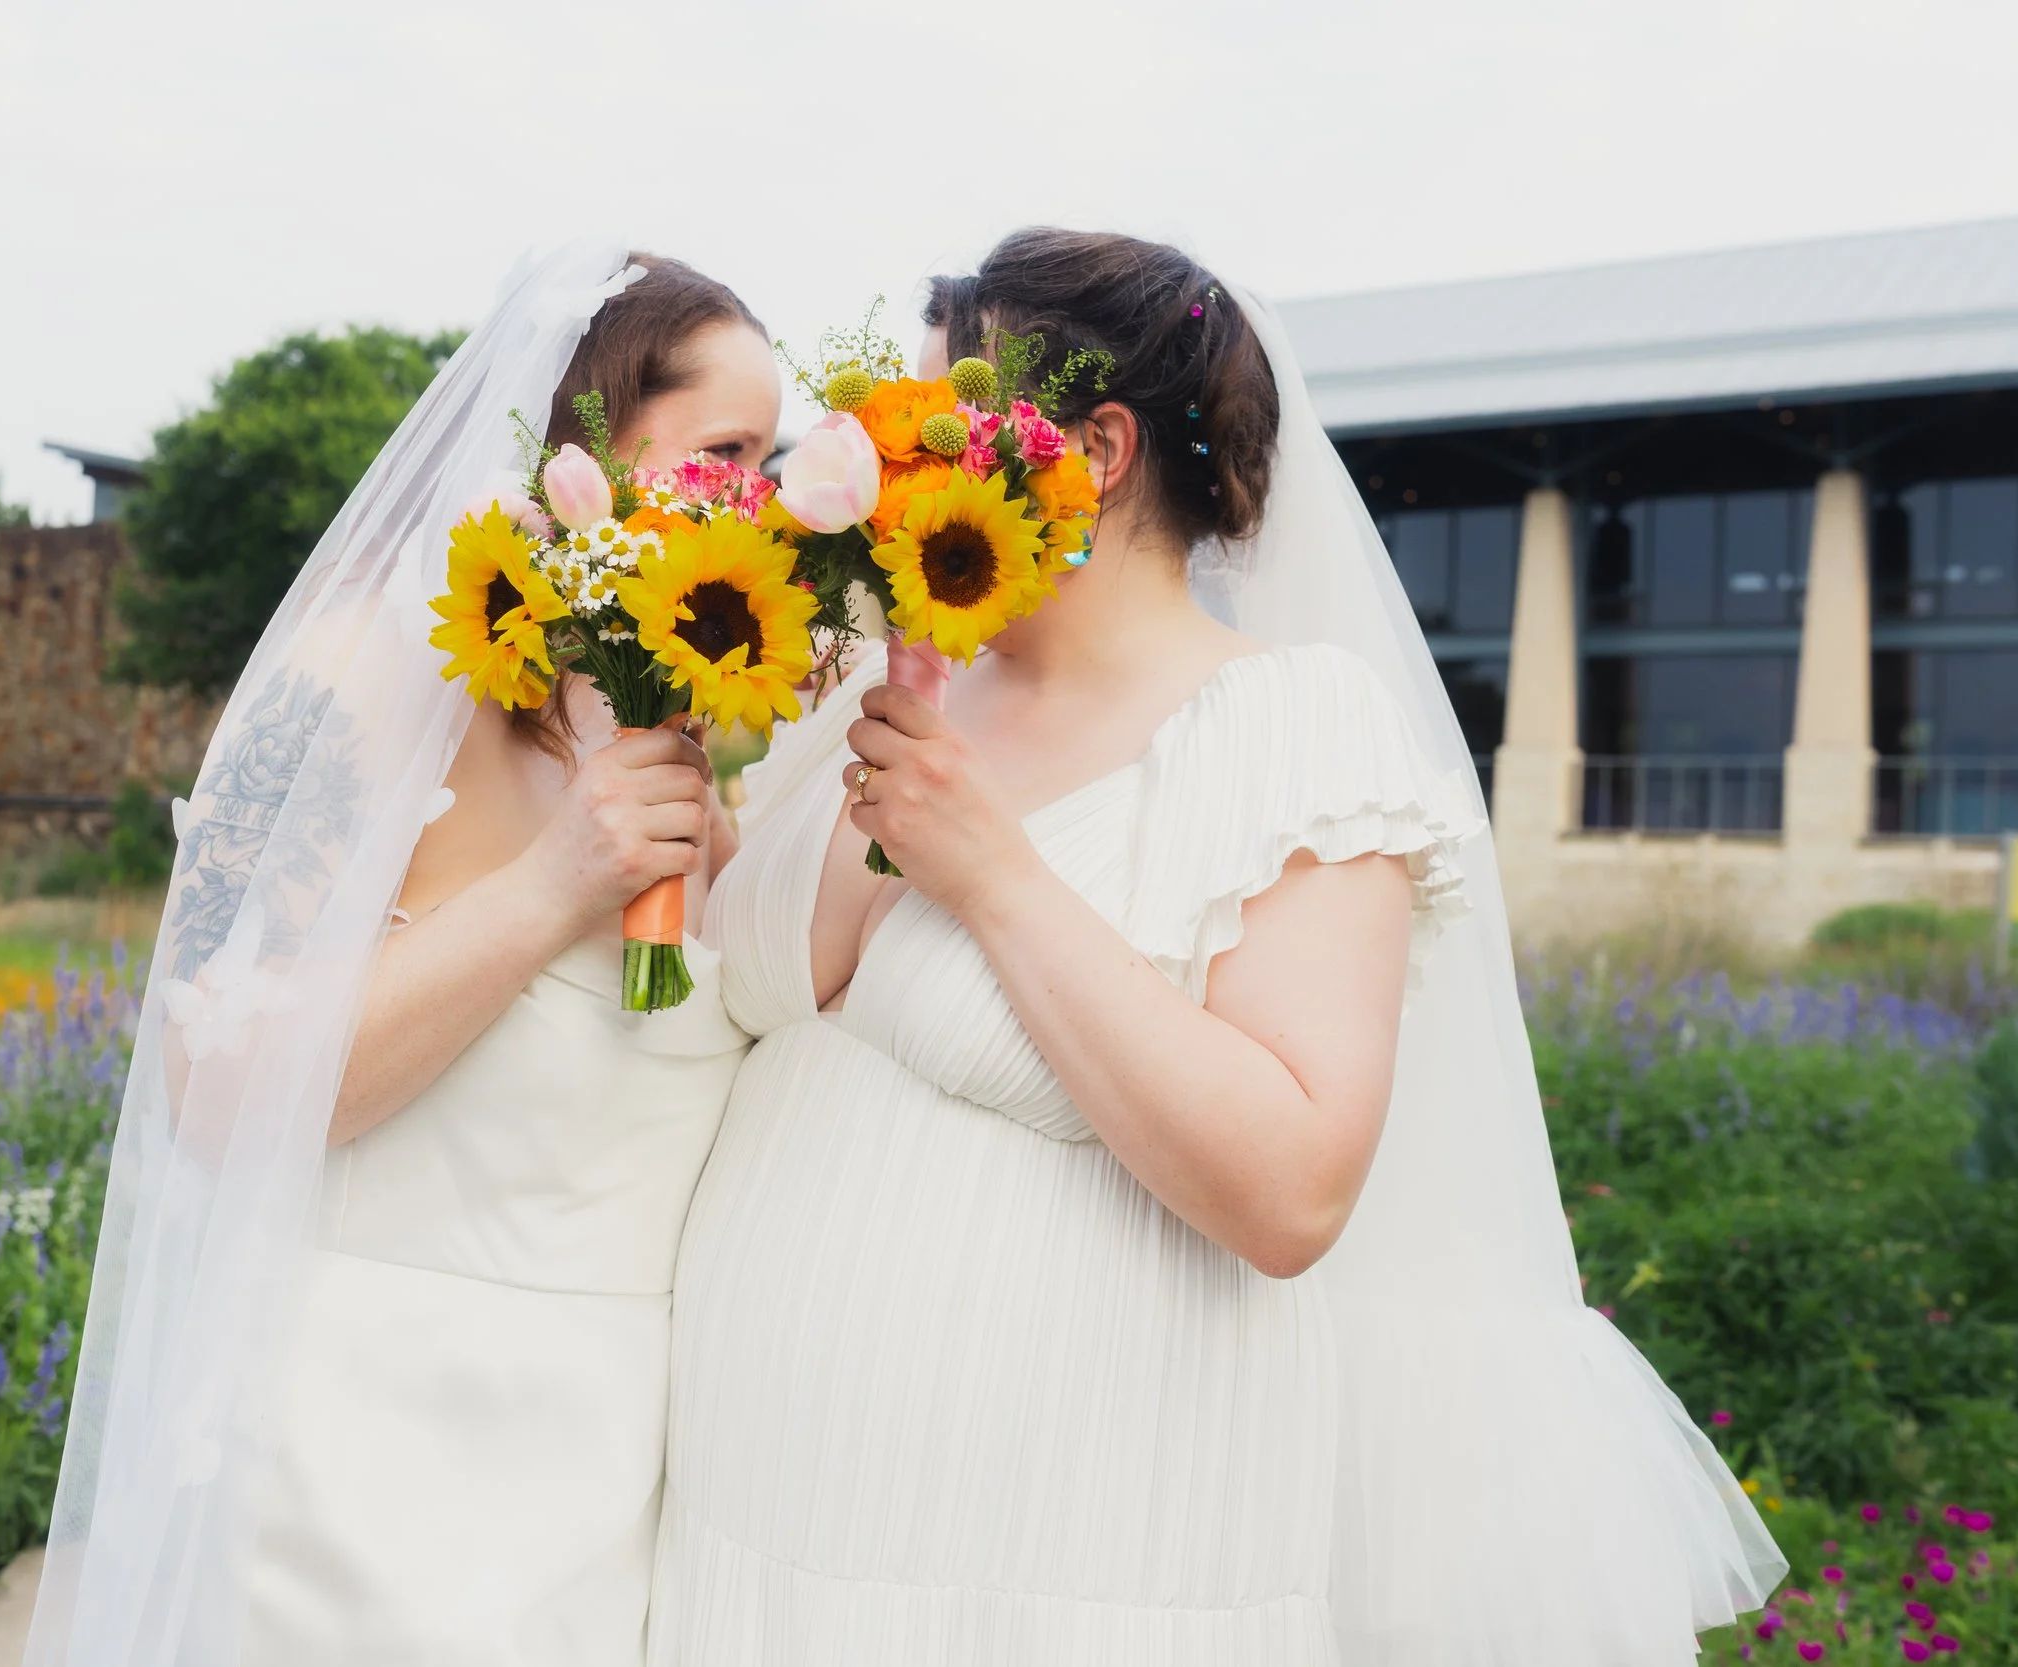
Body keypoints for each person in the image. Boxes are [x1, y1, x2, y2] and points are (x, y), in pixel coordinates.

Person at [648, 228, 1783, 1665]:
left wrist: (991, 872)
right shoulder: (879, 683)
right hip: (757, 1525)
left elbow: (1293, 1185)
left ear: (1099, 446)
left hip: (1060, 1550)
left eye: (925, 427)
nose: (880, 467)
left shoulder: (1294, 728)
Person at [20, 244, 781, 1667]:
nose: (764, 496)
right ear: (586, 441)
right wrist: (561, 882)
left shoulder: (670, 729)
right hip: (359, 1474)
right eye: (728, 450)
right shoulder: (362, 670)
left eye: (773, 455)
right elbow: (215, 1082)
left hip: (609, 1478)